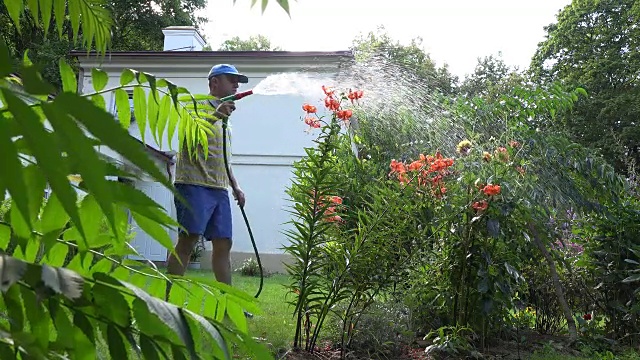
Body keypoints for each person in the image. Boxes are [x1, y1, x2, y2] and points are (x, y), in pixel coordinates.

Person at [165, 64, 248, 308]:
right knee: (188, 241)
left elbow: (223, 156)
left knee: (224, 243)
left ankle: (228, 302)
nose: (236, 85)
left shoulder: (227, 119)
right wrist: (215, 115)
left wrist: (236, 186)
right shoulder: (195, 106)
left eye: (238, 81)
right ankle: (169, 299)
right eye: (231, 80)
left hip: (219, 188)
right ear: (214, 82)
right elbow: (187, 141)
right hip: (192, 184)